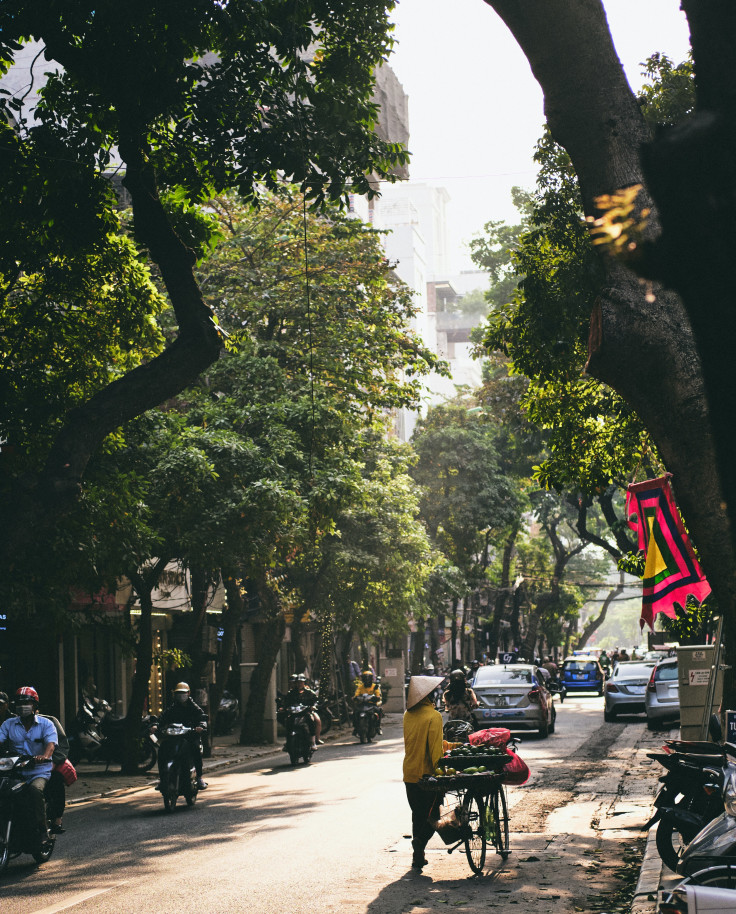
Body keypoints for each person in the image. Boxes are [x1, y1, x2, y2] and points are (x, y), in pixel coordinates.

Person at [0, 687, 57, 848]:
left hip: (39, 771)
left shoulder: (46, 724)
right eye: (19, 703)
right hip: (15, 772)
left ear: (34, 705)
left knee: (34, 790)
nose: (22, 706)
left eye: (26, 702)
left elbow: (51, 745)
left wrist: (44, 756)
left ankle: (42, 830)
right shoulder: (8, 724)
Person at [403, 674, 445, 870]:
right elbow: (435, 751)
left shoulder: (407, 715)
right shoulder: (434, 716)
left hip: (409, 773)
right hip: (428, 775)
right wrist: (442, 773)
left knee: (417, 815)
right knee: (434, 815)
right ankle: (419, 841)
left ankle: (417, 857)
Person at [155, 682, 209, 789]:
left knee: (195, 750)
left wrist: (200, 726)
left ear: (188, 693)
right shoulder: (172, 708)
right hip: (173, 737)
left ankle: (199, 777)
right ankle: (162, 779)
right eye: (178, 693)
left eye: (183, 693)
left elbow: (202, 717)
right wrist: (155, 725)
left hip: (189, 737)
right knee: (162, 750)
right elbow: (162, 718)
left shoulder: (194, 707)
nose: (181, 695)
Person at [40, 713, 70, 835]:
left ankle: (57, 818)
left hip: (45, 765)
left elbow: (61, 747)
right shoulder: (11, 723)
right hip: (17, 766)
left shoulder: (49, 722)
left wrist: (53, 761)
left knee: (56, 779)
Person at [283, 674, 322, 748]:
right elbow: (286, 702)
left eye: (301, 682)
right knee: (288, 721)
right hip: (294, 713)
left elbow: (315, 701)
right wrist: (284, 707)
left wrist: (313, 706)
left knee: (311, 720)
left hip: (305, 712)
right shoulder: (291, 693)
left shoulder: (309, 692)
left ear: (304, 683)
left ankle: (313, 741)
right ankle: (288, 742)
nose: (299, 684)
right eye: (298, 682)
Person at [353, 670, 383, 736]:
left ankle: (378, 727)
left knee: (379, 711)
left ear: (371, 679)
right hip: (362, 704)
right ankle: (355, 728)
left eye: (368, 678)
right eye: (365, 678)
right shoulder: (360, 687)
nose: (367, 680)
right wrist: (355, 697)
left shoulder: (375, 686)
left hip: (372, 704)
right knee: (355, 712)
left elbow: (378, 694)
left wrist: (377, 697)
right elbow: (356, 694)